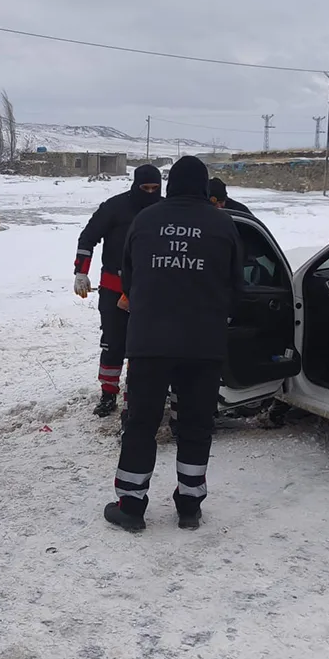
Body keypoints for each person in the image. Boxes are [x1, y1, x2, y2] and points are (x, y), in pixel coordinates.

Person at [105, 156, 242, 532]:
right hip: (203, 344)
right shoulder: (223, 223)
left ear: (169, 185)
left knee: (141, 423)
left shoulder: (145, 220)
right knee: (196, 424)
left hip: (149, 343)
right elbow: (236, 283)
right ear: (202, 186)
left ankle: (131, 506)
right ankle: (189, 505)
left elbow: (129, 280)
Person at [74, 164, 163, 417]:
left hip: (152, 291)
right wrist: (81, 271)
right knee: (113, 343)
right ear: (135, 185)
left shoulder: (165, 209)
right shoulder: (114, 207)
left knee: (145, 347)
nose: (149, 192)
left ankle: (136, 395)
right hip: (114, 289)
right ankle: (108, 393)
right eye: (144, 188)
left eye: (154, 188)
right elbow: (87, 238)